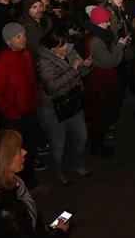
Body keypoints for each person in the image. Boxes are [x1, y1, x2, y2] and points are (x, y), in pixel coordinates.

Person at [0, 23, 41, 189]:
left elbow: (30, 80)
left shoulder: (25, 54)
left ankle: (30, 180)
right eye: (18, 36)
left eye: (23, 34)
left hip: (29, 111)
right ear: (9, 41)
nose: (23, 38)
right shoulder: (0, 63)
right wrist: (14, 113)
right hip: (13, 118)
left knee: (29, 148)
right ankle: (14, 185)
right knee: (13, 154)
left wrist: (34, 99)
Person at [36, 31, 93, 185]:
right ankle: (57, 171)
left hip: (73, 102)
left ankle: (77, 164)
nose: (67, 47)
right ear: (53, 49)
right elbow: (53, 86)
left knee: (81, 137)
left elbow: (82, 74)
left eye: (67, 43)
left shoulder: (70, 51)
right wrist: (73, 69)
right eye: (63, 45)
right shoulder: (44, 62)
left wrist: (86, 65)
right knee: (58, 146)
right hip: (53, 108)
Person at [84, 6, 128, 157]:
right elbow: (109, 62)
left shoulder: (100, 35)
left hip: (103, 82)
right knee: (100, 117)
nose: (108, 24)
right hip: (100, 84)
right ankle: (97, 147)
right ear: (97, 23)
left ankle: (97, 142)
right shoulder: (96, 41)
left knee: (100, 116)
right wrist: (120, 46)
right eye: (105, 22)